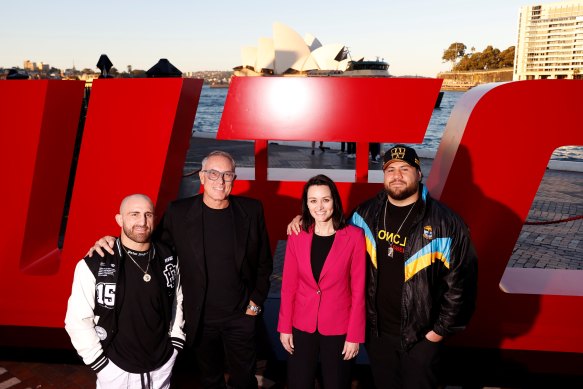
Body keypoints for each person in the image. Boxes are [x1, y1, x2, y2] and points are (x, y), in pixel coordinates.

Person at [288, 145, 478, 389]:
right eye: (390, 170)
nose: (396, 175)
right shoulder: (364, 215)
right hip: (377, 335)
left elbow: (463, 284)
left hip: (421, 336)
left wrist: (438, 331)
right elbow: (331, 228)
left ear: (419, 173)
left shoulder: (447, 223)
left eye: (404, 169)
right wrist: (303, 220)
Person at [88, 150, 273, 389]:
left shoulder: (252, 210)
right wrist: (112, 241)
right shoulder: (179, 212)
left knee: (245, 380)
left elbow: (264, 262)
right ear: (203, 177)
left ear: (234, 179)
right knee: (209, 380)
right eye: (214, 174)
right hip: (199, 318)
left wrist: (254, 304)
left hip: (240, 316)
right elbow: (148, 245)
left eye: (227, 175)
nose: (221, 180)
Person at [65, 194, 184, 389]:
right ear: (119, 219)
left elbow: (178, 300)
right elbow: (76, 320)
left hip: (161, 364)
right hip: (116, 368)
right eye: (134, 214)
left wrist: (176, 343)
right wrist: (100, 364)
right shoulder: (95, 262)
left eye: (148, 214)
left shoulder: (167, 257)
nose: (142, 222)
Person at [278, 175, 365, 389]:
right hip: (301, 324)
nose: (320, 206)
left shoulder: (354, 236)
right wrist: (284, 327)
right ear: (306, 204)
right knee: (299, 383)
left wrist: (354, 335)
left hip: (339, 327)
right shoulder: (297, 235)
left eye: (325, 200)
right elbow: (288, 286)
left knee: (337, 383)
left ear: (334, 201)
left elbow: (359, 289)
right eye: (313, 200)